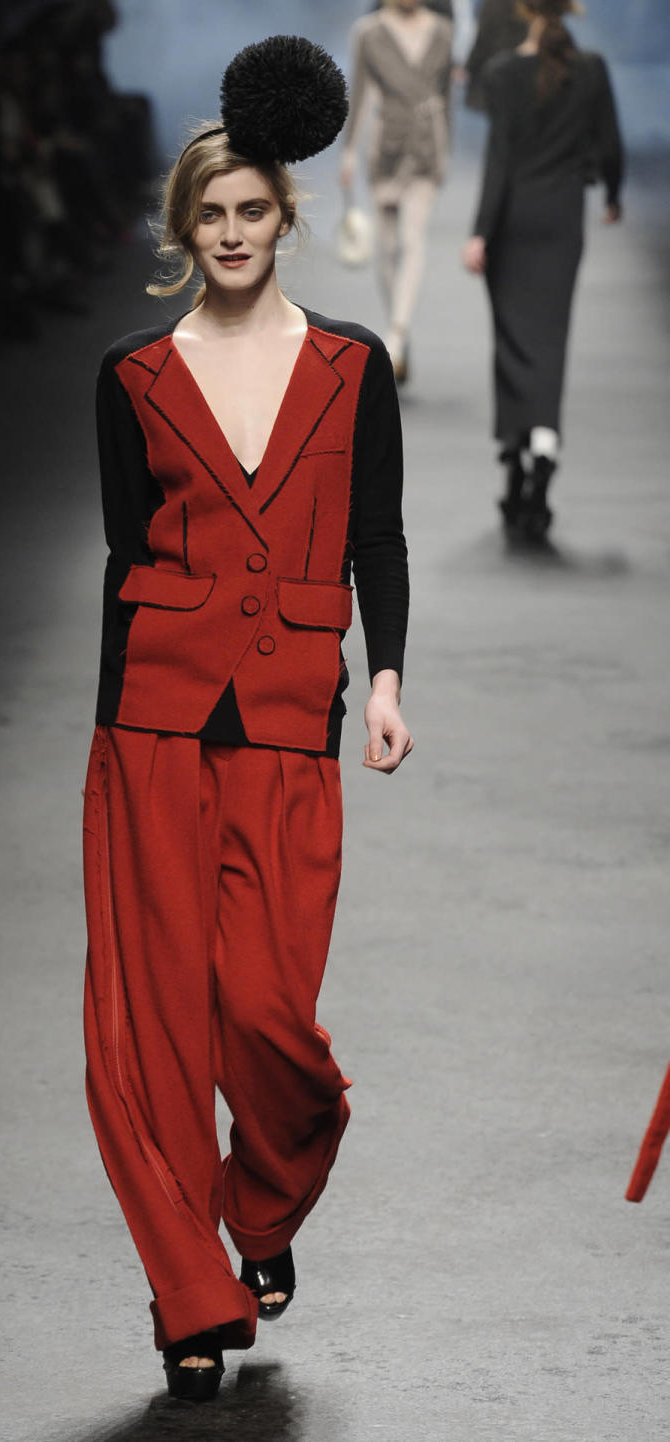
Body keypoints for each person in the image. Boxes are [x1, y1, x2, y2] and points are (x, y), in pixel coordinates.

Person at [82, 36, 412, 1404]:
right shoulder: (132, 378)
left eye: (250, 212)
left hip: (288, 720)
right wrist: (104, 733)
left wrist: (386, 676)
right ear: (185, 231)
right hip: (151, 726)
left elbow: (377, 535)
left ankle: (261, 1208)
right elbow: (124, 555)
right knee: (147, 1017)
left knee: (272, 1017)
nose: (229, 234)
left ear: (285, 217)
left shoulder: (351, 365)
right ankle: (189, 1296)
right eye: (207, 216)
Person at [462, 0, 623, 540]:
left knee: (512, 337)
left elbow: (499, 159)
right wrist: (614, 195)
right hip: (562, 221)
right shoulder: (592, 68)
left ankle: (513, 453)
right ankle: (544, 443)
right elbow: (610, 145)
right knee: (549, 337)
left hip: (513, 222)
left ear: (524, 9)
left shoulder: (503, 72)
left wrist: (481, 231)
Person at [340, 0, 453, 384]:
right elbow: (361, 92)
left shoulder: (442, 30)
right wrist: (349, 152)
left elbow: (445, 94)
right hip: (385, 147)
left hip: (425, 147)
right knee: (388, 250)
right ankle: (398, 327)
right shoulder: (368, 32)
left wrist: (446, 148)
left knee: (411, 240)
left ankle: (398, 336)